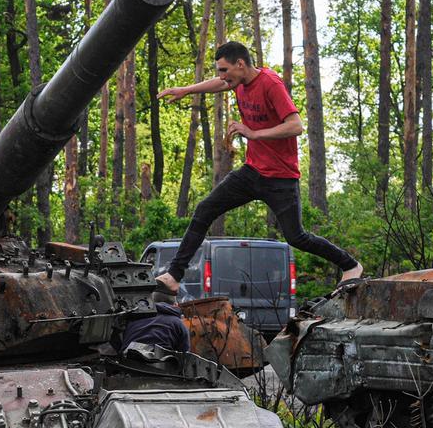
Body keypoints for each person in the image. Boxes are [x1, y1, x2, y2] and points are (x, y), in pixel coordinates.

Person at [153, 42, 362, 294]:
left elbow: (296, 125)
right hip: (252, 172)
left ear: (240, 64)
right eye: (219, 71)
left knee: (297, 238)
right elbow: (219, 84)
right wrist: (187, 90)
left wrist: (254, 133)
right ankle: (174, 276)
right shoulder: (236, 82)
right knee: (205, 209)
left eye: (224, 70)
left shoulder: (271, 84)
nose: (221, 77)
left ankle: (350, 266)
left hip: (281, 178)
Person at [117, 291, 191, 353]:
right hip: (161, 367)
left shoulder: (132, 318)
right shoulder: (178, 323)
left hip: (127, 365)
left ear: (151, 302)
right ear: (175, 305)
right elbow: (185, 355)